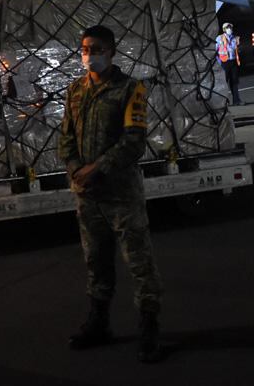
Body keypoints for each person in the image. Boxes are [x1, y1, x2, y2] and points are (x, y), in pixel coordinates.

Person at [59, 25, 163, 364]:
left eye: (97, 48)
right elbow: (66, 138)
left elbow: (134, 140)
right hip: (87, 194)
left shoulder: (130, 89)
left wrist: (98, 168)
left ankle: (149, 328)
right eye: (86, 48)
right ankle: (98, 322)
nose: (90, 54)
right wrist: (76, 167)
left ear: (113, 51)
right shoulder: (75, 90)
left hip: (120, 193)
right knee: (96, 261)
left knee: (138, 261)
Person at [216, 21, 243, 105]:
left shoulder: (235, 38)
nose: (229, 29)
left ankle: (236, 101)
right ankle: (223, 102)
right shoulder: (219, 38)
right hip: (224, 63)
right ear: (224, 29)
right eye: (227, 28)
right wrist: (218, 62)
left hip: (233, 62)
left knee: (234, 82)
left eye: (230, 27)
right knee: (224, 83)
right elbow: (215, 51)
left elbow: (238, 50)